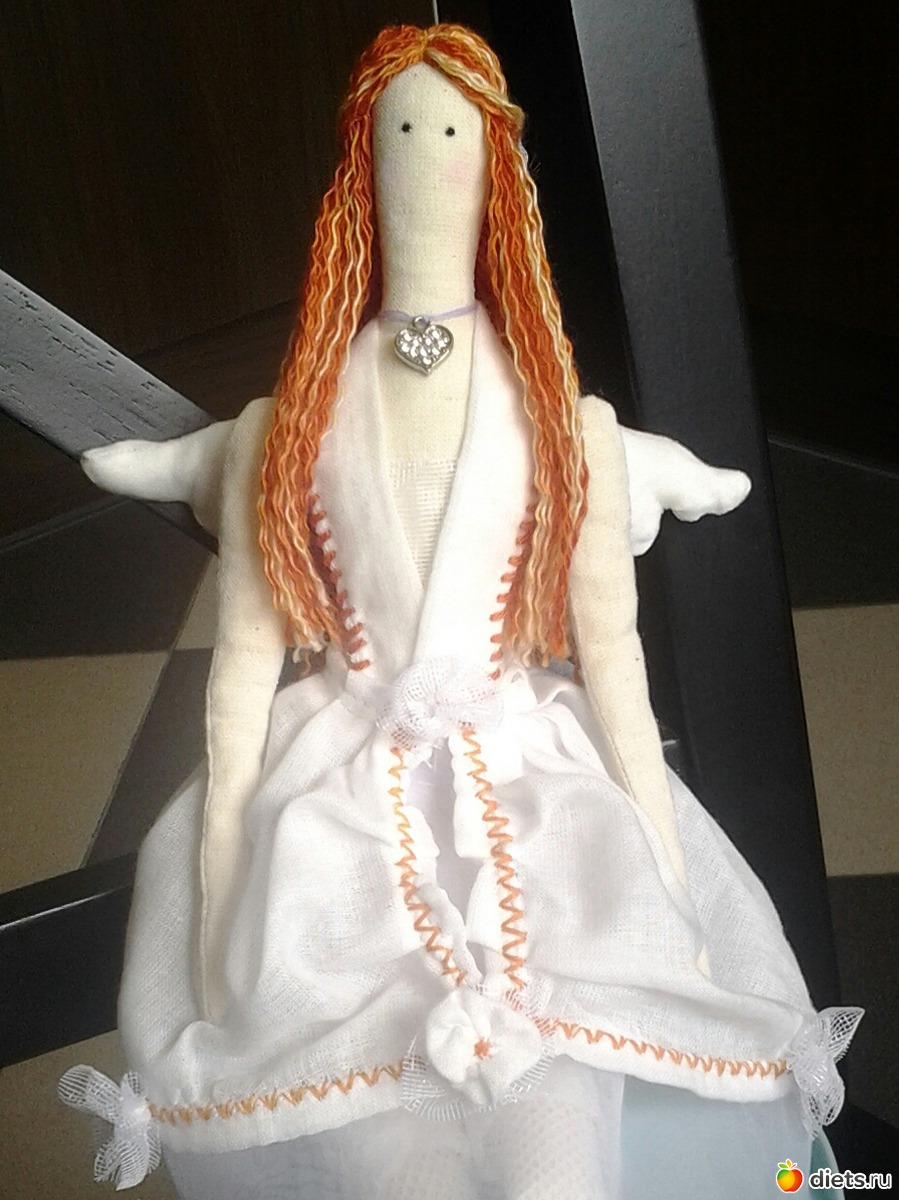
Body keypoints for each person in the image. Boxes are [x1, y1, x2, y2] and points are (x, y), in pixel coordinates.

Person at [65, 24, 858, 1199]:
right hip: (338, 761)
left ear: (493, 169)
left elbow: (614, 664)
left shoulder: (561, 424)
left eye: (447, 134)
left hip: (526, 751)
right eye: (402, 132)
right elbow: (234, 655)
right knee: (348, 1019)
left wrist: (671, 876)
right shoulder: (290, 426)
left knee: (572, 1003)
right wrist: (222, 879)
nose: (426, 155)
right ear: (362, 166)